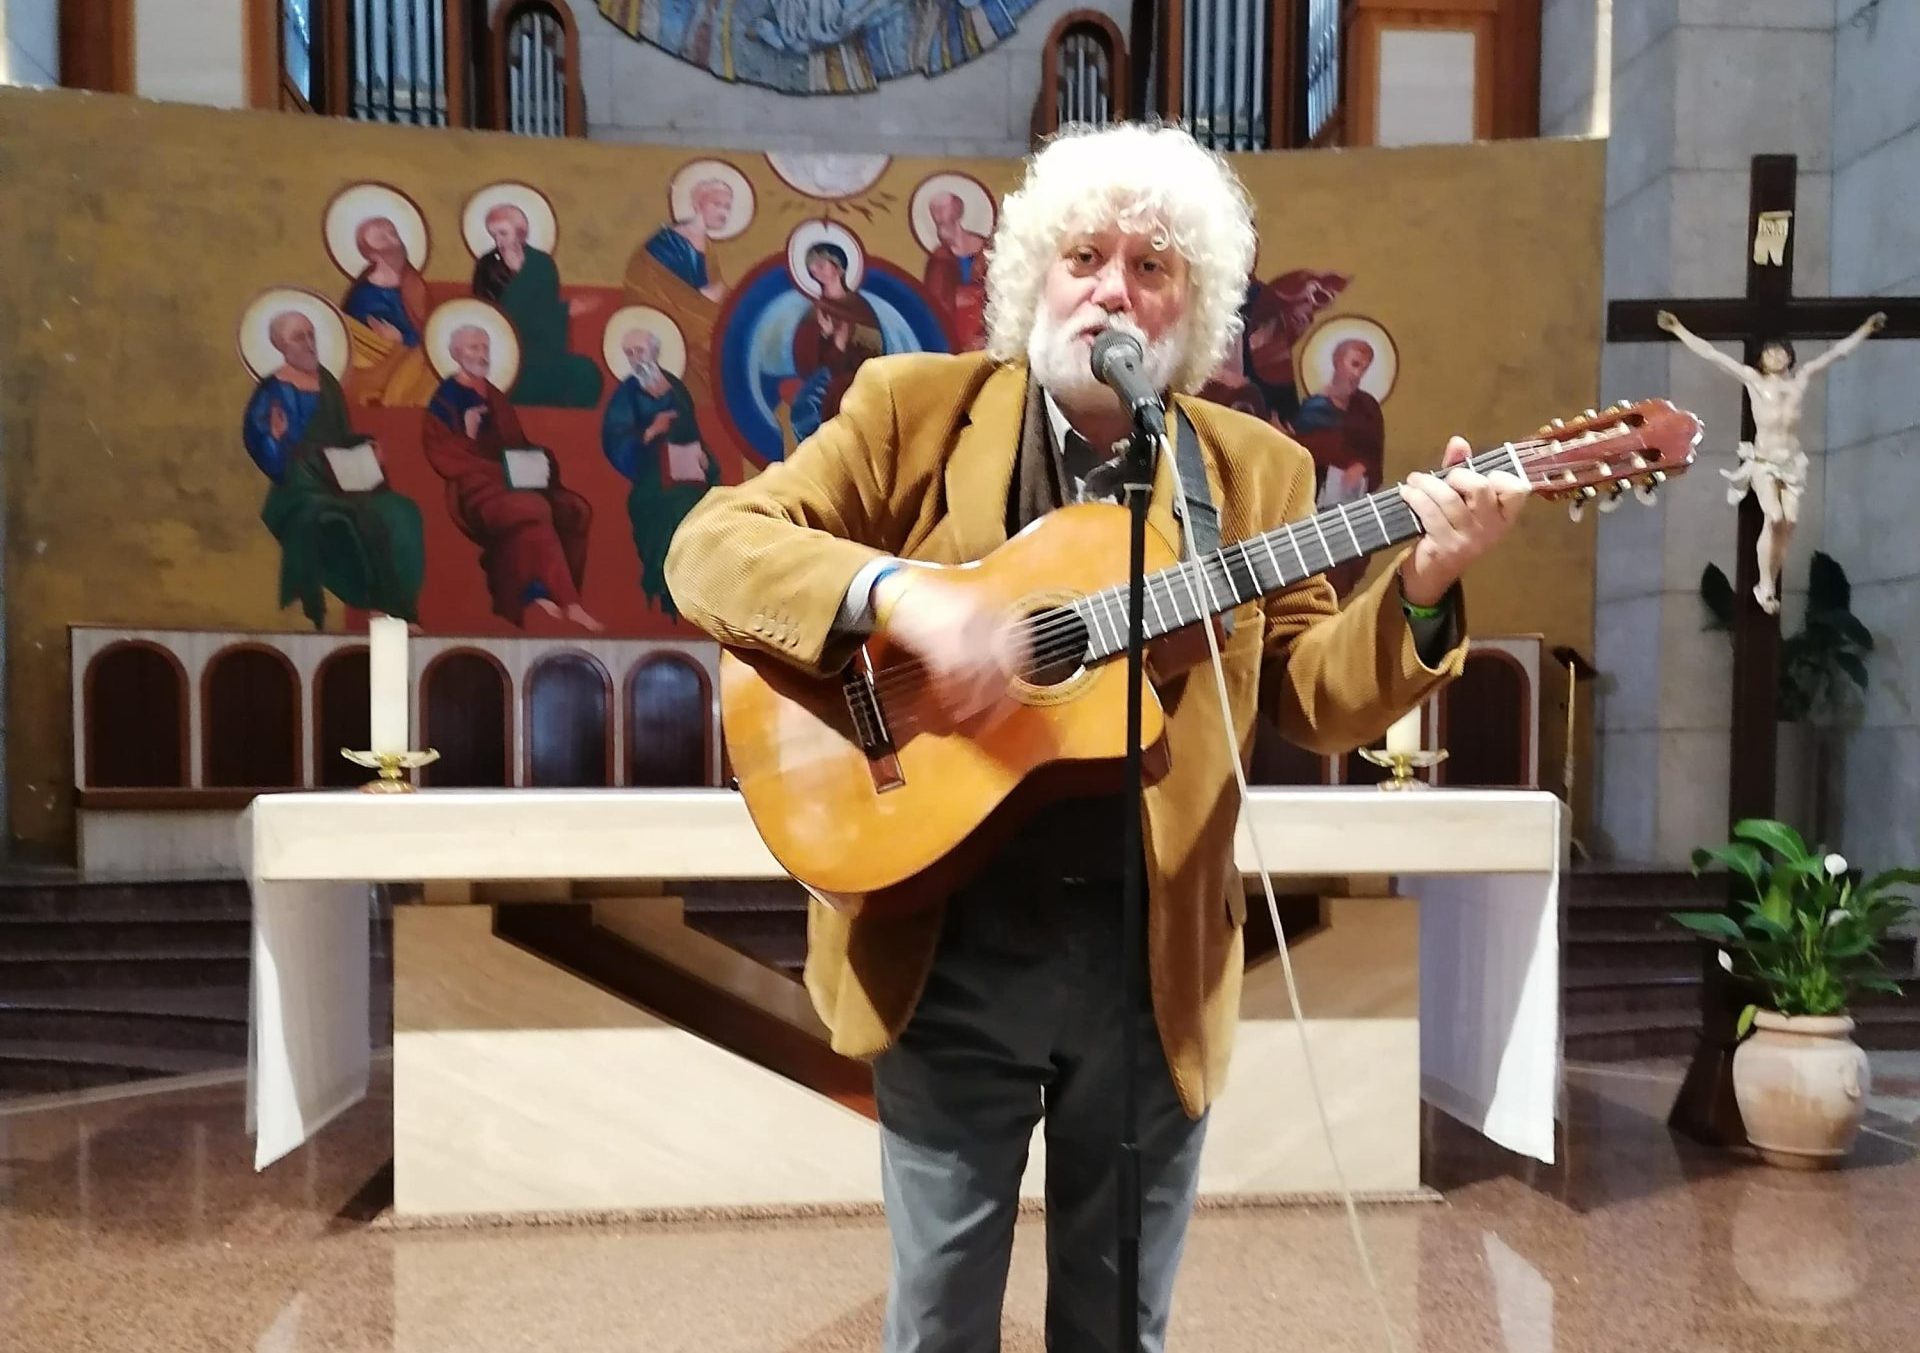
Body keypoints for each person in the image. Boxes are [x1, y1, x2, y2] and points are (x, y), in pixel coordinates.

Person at [664, 122, 1526, 1352]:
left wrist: (1427, 584)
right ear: (1033, 277)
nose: (1115, 286)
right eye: (1086, 256)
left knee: (1119, 1326)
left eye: (1153, 266)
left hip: (1150, 957)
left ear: (1194, 306)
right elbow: (711, 548)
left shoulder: (1253, 475)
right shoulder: (910, 411)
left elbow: (1312, 691)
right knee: (941, 1320)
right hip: (945, 942)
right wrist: (906, 598)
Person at [1657, 307, 1885, 613]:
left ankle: (1770, 582)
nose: (1776, 356)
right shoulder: (1754, 380)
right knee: (1774, 518)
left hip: (1792, 462)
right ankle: (1764, 584)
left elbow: (1837, 354)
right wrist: (1678, 329)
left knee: (1790, 522)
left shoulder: (1800, 380)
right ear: (1760, 360)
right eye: (1770, 353)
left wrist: (1866, 329)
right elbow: (1712, 355)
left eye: (1781, 352)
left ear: (1790, 356)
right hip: (1763, 461)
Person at [241, 310, 425, 629]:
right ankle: (386, 607)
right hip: (302, 483)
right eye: (299, 337)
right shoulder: (273, 391)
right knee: (364, 520)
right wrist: (276, 437)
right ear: (280, 345)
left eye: (311, 334)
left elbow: (340, 435)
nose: (310, 343)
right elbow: (259, 444)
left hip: (342, 475)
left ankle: (398, 605)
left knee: (402, 511)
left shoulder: (326, 380)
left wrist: (367, 445)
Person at [422, 324, 601, 631]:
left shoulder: (495, 396)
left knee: (575, 508)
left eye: (484, 347)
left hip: (515, 482)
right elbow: (443, 455)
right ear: (455, 353)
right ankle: (555, 599)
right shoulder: (445, 400)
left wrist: (540, 459)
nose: (481, 354)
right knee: (531, 508)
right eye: (473, 348)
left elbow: (517, 445)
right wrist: (469, 433)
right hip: (476, 490)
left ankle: (557, 595)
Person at [600, 327, 720, 618]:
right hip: (651, 476)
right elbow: (614, 439)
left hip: (688, 472)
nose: (635, 358)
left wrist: (705, 460)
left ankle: (694, 587)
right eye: (629, 353)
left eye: (640, 351)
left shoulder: (677, 389)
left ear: (655, 352)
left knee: (701, 510)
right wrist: (651, 431)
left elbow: (695, 434)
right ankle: (666, 588)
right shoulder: (627, 394)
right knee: (669, 510)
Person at [470, 203, 605, 408]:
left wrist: (561, 311)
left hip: (542, 351)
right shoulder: (487, 266)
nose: (499, 241)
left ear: (521, 233)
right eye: (494, 235)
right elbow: (486, 313)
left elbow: (546, 311)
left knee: (587, 373)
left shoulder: (541, 264)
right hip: (505, 350)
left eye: (503, 233)